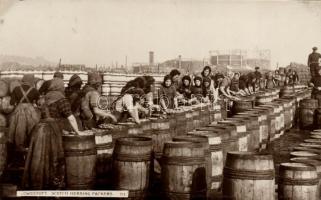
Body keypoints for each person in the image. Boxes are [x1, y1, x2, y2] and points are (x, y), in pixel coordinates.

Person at [22, 78, 83, 189]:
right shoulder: (62, 99)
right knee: (53, 157)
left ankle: (37, 182)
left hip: (39, 129)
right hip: (52, 131)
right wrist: (77, 131)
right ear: (59, 87)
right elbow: (71, 118)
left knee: (39, 157)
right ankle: (51, 183)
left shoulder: (44, 98)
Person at [8, 74, 41, 150]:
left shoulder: (16, 89)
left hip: (19, 111)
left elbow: (11, 103)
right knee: (32, 129)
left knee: (16, 130)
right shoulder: (34, 90)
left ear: (23, 80)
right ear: (31, 81)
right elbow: (38, 103)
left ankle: (18, 149)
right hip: (31, 112)